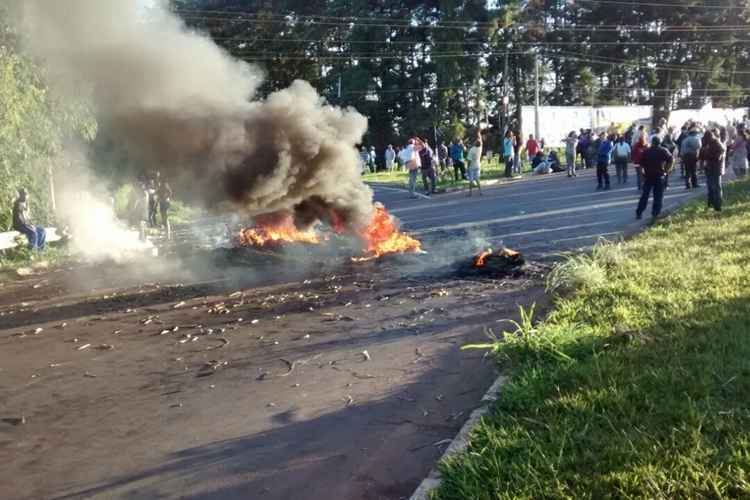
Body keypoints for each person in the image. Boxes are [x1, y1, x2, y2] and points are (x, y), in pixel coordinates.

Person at [636, 136, 673, 220]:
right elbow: (671, 160)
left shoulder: (646, 151)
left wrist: (642, 175)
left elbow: (640, 164)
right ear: (660, 142)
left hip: (648, 176)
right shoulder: (663, 150)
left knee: (645, 196)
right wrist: (667, 171)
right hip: (659, 175)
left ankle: (639, 212)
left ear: (652, 142)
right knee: (658, 196)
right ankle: (655, 214)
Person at [700, 130, 726, 211]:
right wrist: (703, 153)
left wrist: (707, 154)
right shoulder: (706, 144)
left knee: (716, 187)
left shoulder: (717, 144)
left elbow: (719, 156)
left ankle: (718, 206)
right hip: (709, 168)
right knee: (710, 187)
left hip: (716, 168)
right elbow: (701, 156)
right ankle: (711, 204)